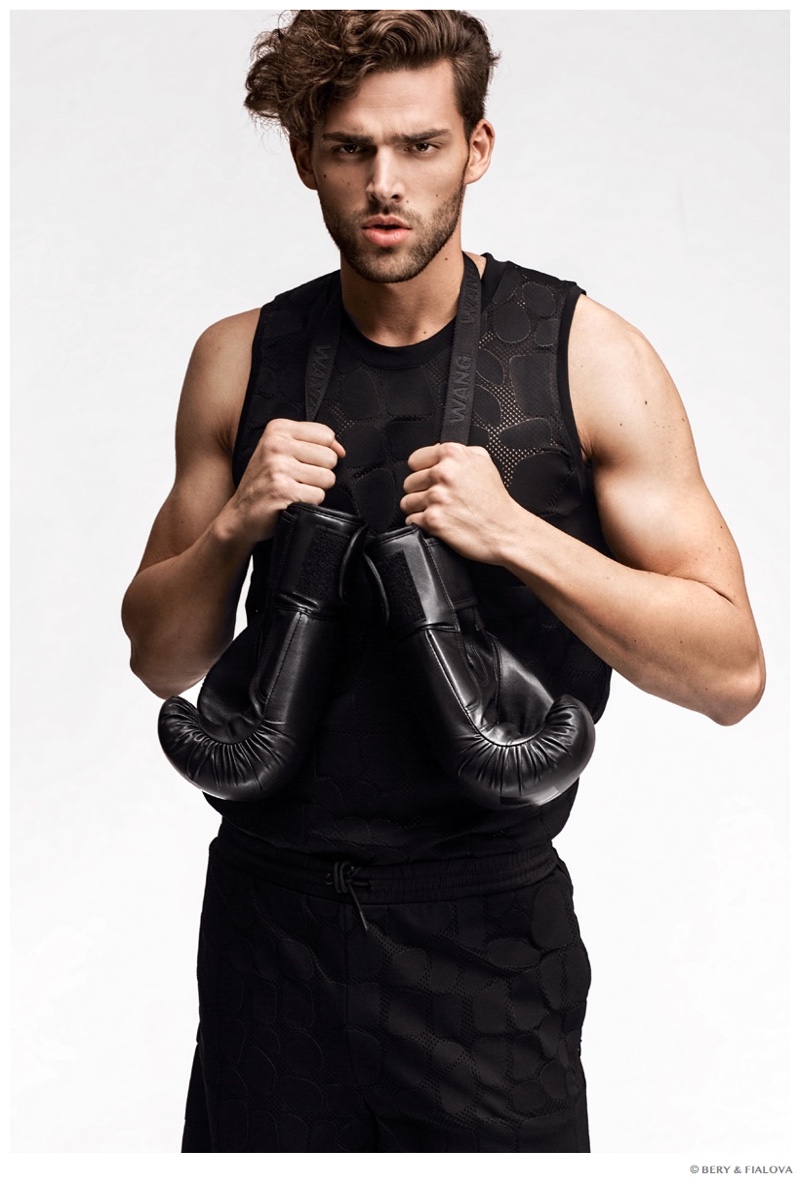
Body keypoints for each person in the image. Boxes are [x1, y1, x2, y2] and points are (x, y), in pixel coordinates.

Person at [121, 9, 765, 1154]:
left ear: (475, 148)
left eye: (418, 145)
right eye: (350, 149)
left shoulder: (584, 355)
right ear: (305, 156)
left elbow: (728, 674)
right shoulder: (239, 355)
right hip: (269, 928)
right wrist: (235, 522)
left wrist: (517, 535)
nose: (384, 183)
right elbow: (160, 657)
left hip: (482, 933)